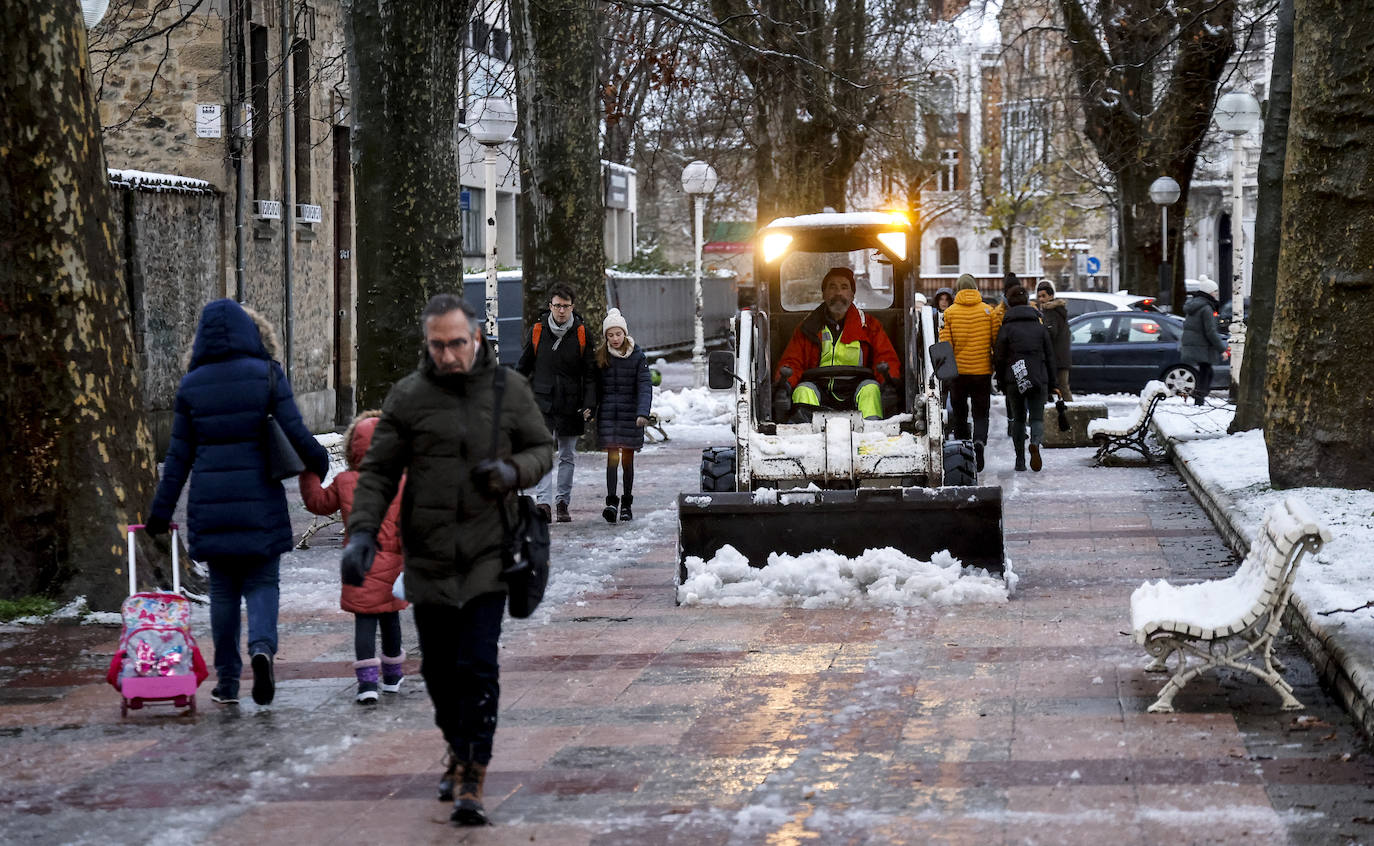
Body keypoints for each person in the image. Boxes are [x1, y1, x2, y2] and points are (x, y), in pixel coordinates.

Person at [340, 294, 553, 827]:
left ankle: (473, 775)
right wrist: (362, 534)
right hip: (428, 557)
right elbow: (379, 472)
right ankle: (457, 747)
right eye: (437, 345)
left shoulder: (508, 388)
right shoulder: (409, 397)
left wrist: (512, 472)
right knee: (437, 669)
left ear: (476, 337)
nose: (448, 354)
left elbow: (542, 449)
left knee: (477, 665)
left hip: (488, 554)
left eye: (457, 343)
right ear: (427, 345)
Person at [145, 298, 329, 707]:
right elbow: (296, 431)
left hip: (211, 502)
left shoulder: (192, 385)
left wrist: (161, 510)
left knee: (224, 591)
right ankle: (261, 649)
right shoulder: (266, 375)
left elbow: (177, 457)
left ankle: (227, 681)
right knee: (263, 581)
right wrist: (319, 461)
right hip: (260, 497)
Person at [299, 411, 408, 704]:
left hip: (359, 563)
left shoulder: (346, 482)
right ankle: (393, 676)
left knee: (365, 621)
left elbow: (318, 503)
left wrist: (308, 473)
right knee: (390, 619)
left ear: (352, 449)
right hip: (393, 563)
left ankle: (367, 685)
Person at [774, 266, 901, 422]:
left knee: (871, 389)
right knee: (803, 390)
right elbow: (792, 362)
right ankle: (806, 442)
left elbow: (885, 358)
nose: (838, 293)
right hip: (819, 388)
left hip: (857, 388)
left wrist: (889, 383)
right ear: (824, 294)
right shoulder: (807, 328)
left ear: (852, 294)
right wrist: (784, 385)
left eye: (844, 287)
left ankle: (871, 439)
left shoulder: (869, 326)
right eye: (832, 287)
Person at [516, 283, 598, 524]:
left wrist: (590, 403)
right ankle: (543, 503)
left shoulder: (582, 333)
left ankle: (562, 502)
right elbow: (524, 366)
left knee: (567, 455)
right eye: (557, 305)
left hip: (571, 403)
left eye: (566, 306)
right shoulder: (538, 331)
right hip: (541, 402)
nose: (561, 311)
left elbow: (590, 372)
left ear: (572, 306)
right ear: (550, 306)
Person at [939, 274, 1002, 471]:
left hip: (958, 374)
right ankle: (980, 441)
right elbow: (996, 342)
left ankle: (963, 451)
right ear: (975, 288)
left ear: (957, 289)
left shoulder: (949, 313)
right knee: (981, 412)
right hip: (982, 372)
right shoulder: (988, 311)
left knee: (959, 414)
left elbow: (944, 345)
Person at [595, 308, 652, 523]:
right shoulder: (601, 356)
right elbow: (595, 386)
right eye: (610, 335)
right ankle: (611, 502)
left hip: (630, 416)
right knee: (611, 460)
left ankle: (626, 503)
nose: (615, 338)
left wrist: (642, 413)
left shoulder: (637, 356)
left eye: (618, 334)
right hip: (609, 415)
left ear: (625, 333)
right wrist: (590, 407)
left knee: (627, 461)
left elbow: (645, 386)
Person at [995, 285, 1058, 472]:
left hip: (1015, 378)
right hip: (1038, 376)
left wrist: (1000, 379)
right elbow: (1050, 355)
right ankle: (1036, 444)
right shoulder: (1039, 326)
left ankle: (1020, 459)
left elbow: (999, 356)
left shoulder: (1006, 327)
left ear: (1009, 303)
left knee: (1018, 419)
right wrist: (1053, 382)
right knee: (1037, 417)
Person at [1181, 276, 1227, 406]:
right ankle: (1199, 399)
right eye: (1215, 291)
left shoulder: (1195, 305)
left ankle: (1199, 398)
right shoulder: (1206, 308)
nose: (1217, 294)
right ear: (1209, 292)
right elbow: (1211, 331)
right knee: (1206, 373)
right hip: (1201, 346)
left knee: (1205, 371)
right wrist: (1222, 349)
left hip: (1196, 344)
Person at [1036, 281, 1073, 401]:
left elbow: (1050, 332)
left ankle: (1071, 415)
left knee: (1061, 388)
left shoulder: (1050, 311)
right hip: (1060, 357)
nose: (1041, 299)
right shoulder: (1058, 310)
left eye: (1043, 296)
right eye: (1039, 296)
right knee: (1062, 388)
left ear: (1051, 296)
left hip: (1056, 358)